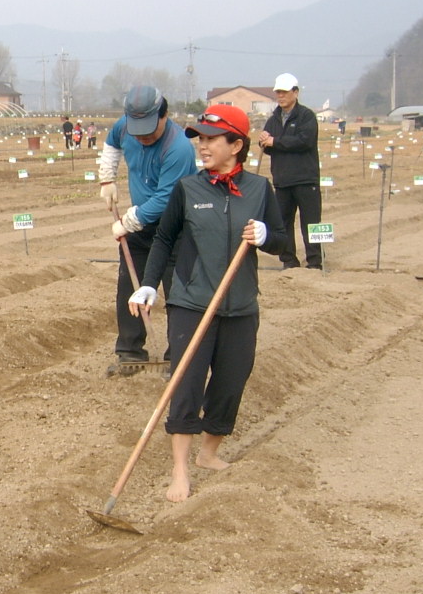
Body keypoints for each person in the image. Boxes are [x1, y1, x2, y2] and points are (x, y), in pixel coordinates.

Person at [128, 104, 287, 502]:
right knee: (185, 386)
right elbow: (164, 239)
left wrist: (267, 234)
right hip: (192, 303)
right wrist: (149, 285)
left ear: (236, 144)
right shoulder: (188, 189)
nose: (202, 145)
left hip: (241, 306)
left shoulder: (259, 190)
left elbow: (284, 242)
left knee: (231, 383)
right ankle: (179, 471)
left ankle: (208, 453)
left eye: (212, 138)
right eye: (200, 137)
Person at [99, 86, 198, 376]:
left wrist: (127, 222)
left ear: (164, 116)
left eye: (149, 131)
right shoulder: (126, 125)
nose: (142, 137)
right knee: (130, 286)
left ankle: (178, 356)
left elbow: (165, 200)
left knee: (177, 290)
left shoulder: (178, 147)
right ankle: (130, 352)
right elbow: (112, 141)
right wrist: (107, 178)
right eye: (137, 130)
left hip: (176, 226)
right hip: (141, 225)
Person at [257, 73, 323, 269]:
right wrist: (264, 142)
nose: (281, 96)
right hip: (282, 180)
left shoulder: (306, 116)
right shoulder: (273, 120)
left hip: (305, 179)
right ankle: (289, 261)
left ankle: (315, 261)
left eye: (285, 92)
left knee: (310, 222)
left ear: (295, 92)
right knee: (283, 223)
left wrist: (275, 141)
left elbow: (305, 141)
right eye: (278, 92)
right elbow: (268, 147)